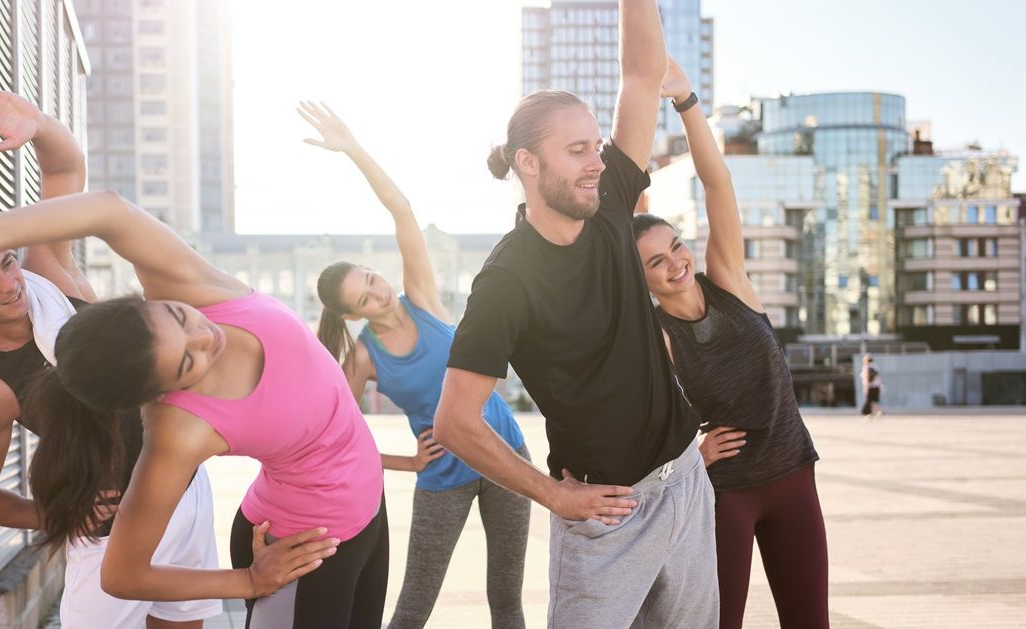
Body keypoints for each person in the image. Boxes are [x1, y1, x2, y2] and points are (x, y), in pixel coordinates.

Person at [0, 186, 388, 628]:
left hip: (370, 512)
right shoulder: (179, 431)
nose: (204, 336)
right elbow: (122, 574)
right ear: (159, 393)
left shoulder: (198, 289)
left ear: (147, 299)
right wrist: (248, 582)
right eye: (186, 362)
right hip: (309, 542)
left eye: (177, 317)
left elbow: (109, 211)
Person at [430, 1, 721, 626]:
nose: (597, 160)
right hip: (606, 515)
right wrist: (554, 496)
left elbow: (642, 76)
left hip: (687, 486)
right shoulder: (505, 282)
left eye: (596, 145)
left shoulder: (611, 192)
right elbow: (455, 423)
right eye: (578, 150)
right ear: (527, 163)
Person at [0, 87, 222, 629]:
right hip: (108, 531)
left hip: (181, 487)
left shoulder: (50, 274)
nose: (10, 285)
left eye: (8, 264)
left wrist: (39, 125)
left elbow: (66, 171)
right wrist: (55, 515)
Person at [301, 101, 531, 629]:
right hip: (444, 475)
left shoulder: (420, 299)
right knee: (412, 608)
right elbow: (333, 437)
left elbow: (401, 210)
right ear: (350, 313)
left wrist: (354, 148)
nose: (378, 294)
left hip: (507, 452)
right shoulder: (363, 357)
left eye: (371, 278)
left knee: (507, 601)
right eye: (364, 298)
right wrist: (407, 463)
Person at [632, 58, 829, 629]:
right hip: (726, 495)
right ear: (639, 278)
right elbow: (647, 428)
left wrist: (686, 101)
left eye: (675, 246)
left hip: (794, 476)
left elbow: (717, 183)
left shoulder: (729, 281)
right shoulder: (656, 339)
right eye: (655, 262)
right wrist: (693, 453)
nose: (675, 263)